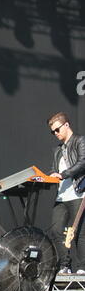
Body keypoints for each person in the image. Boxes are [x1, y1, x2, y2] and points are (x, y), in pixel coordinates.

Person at [48, 112, 85, 274]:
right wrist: (47, 177)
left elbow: (83, 162)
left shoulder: (80, 141)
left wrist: (63, 175)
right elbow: (54, 170)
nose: (55, 134)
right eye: (52, 132)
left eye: (57, 129)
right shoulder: (57, 150)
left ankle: (82, 267)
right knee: (57, 230)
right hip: (61, 196)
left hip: (78, 193)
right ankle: (65, 265)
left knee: (78, 232)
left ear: (66, 125)